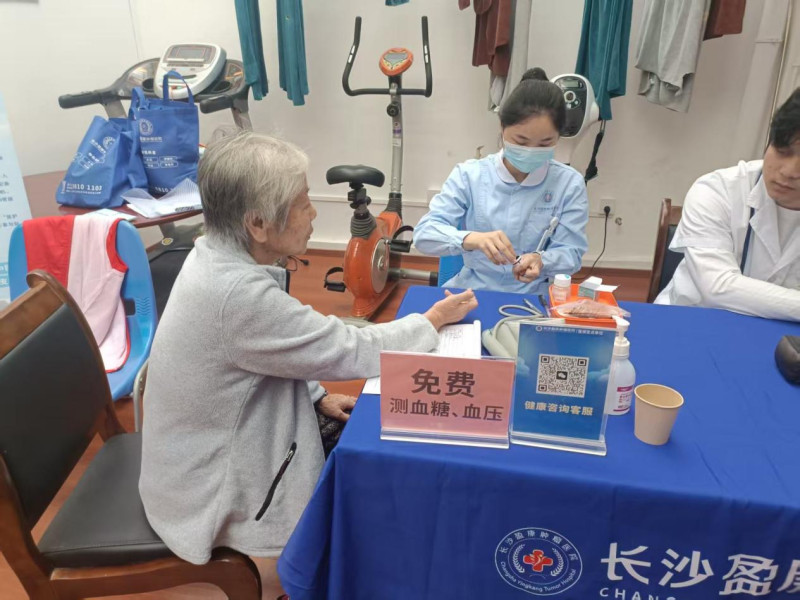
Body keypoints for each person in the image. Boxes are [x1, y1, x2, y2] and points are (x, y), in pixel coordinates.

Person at [138, 132, 477, 565]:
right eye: (302, 204)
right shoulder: (237, 295)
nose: (313, 212)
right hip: (208, 488)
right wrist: (430, 321)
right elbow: (347, 348)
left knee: (370, 435)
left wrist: (315, 396)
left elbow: (275, 347)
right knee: (386, 464)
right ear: (258, 224)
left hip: (186, 463)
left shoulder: (211, 253)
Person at [413, 68, 589, 294]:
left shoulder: (569, 184)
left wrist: (542, 260)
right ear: (502, 127)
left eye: (545, 144)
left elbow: (572, 252)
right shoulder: (470, 175)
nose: (531, 150)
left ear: (558, 137)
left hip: (535, 294)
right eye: (521, 141)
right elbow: (424, 235)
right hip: (473, 290)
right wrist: (472, 239)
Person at [656, 88, 800, 321]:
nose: (789, 171)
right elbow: (718, 287)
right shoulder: (717, 190)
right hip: (693, 319)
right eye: (782, 151)